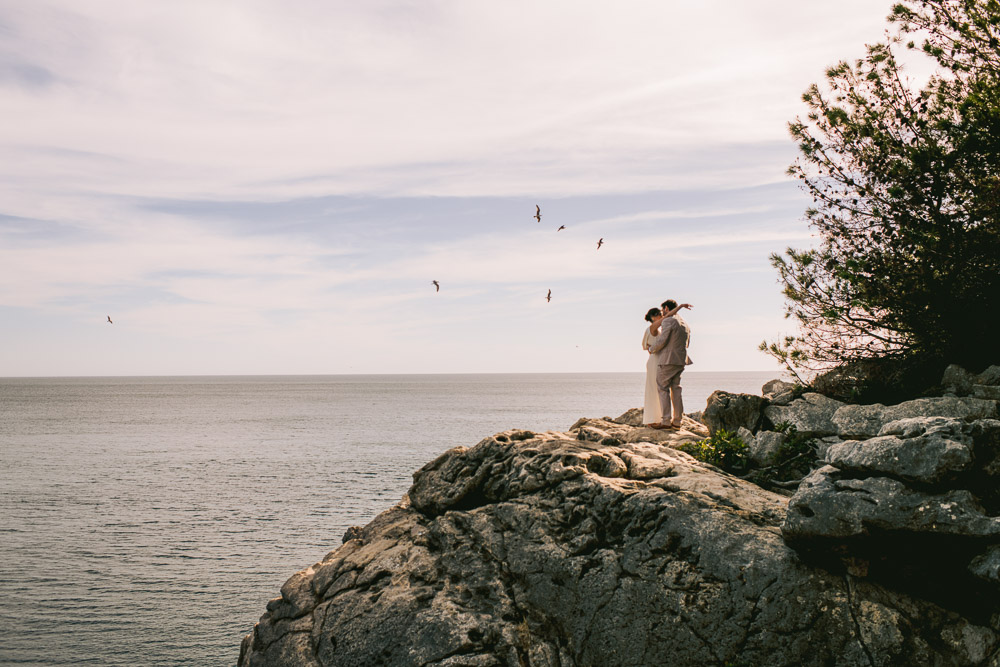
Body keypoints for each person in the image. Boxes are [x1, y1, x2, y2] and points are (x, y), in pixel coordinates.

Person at [647, 299, 693, 430]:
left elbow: (662, 340)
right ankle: (677, 421)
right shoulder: (685, 323)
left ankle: (666, 421)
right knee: (676, 390)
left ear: (666, 308)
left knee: (663, 388)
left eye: (662, 310)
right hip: (681, 360)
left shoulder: (668, 321)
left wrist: (651, 349)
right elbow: (687, 342)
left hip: (668, 360)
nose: (662, 314)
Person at [641, 307, 665, 426]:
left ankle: (658, 417)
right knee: (655, 388)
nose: (661, 316)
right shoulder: (652, 328)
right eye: (659, 314)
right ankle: (653, 419)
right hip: (655, 361)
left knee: (658, 389)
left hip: (657, 359)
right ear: (653, 317)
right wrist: (678, 308)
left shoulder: (657, 330)